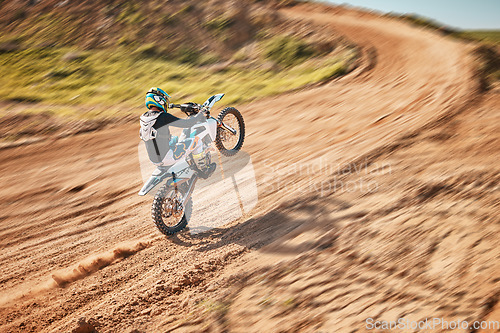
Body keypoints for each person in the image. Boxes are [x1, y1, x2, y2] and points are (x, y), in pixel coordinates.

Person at [140, 87, 209, 170]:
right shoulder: (163, 116)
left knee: (174, 138)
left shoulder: (143, 118)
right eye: (165, 100)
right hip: (167, 158)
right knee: (197, 141)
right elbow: (187, 123)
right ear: (159, 100)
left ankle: (186, 163)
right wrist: (201, 113)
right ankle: (203, 168)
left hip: (154, 160)